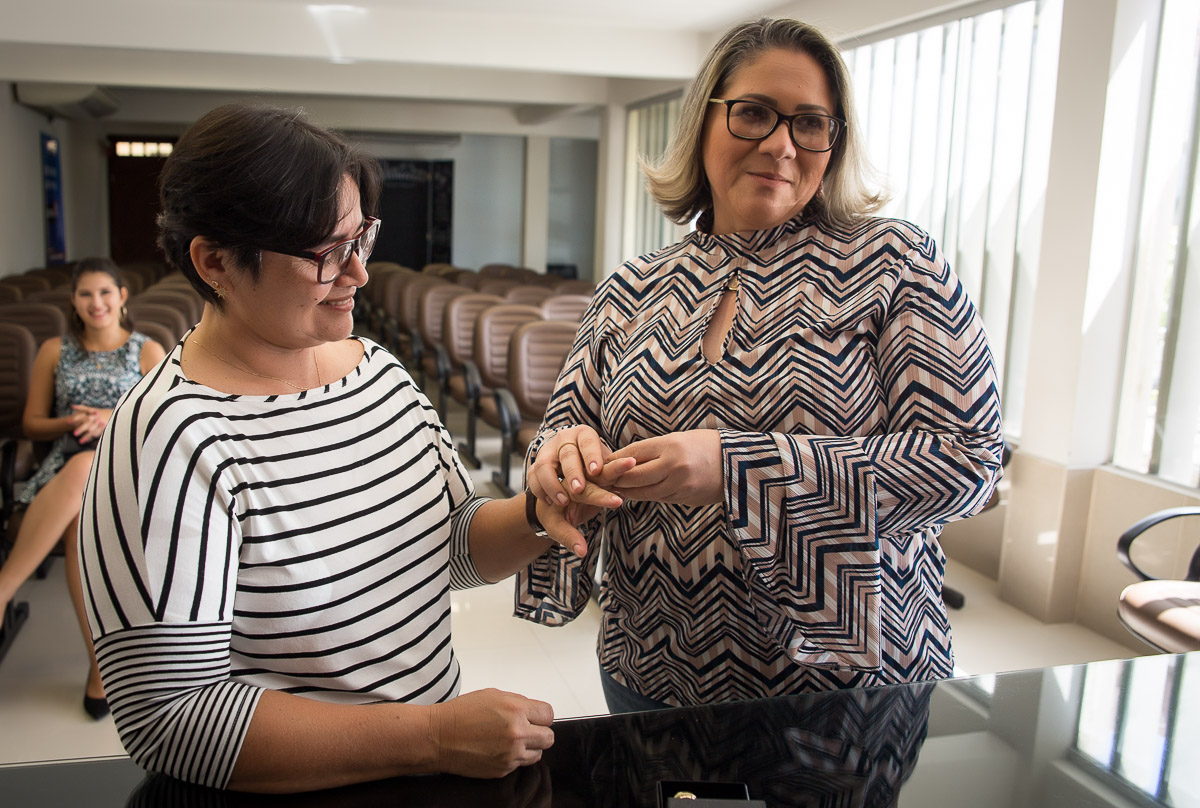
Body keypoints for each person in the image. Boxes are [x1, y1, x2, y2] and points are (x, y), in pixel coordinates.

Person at [77, 103, 623, 794]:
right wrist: (431, 736)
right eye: (325, 253)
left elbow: (451, 546)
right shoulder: (168, 437)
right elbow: (171, 717)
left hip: (428, 770)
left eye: (361, 237)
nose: (360, 272)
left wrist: (539, 513)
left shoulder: (376, 374)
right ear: (216, 262)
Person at [518, 18, 1005, 712]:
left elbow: (968, 461)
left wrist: (738, 467)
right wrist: (560, 460)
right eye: (753, 113)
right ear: (703, 122)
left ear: (834, 143)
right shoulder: (633, 286)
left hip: (843, 685)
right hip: (647, 666)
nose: (781, 144)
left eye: (810, 123)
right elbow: (562, 433)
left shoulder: (894, 264)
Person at [0, 257, 165, 719]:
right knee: (78, 510)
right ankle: (100, 668)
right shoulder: (54, 349)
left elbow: (161, 424)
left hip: (127, 465)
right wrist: (73, 421)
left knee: (85, 473)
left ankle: (4, 588)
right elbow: (33, 424)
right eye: (86, 294)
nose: (96, 303)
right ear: (73, 301)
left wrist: (111, 419)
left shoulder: (148, 351)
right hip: (67, 460)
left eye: (105, 292)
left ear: (122, 296)